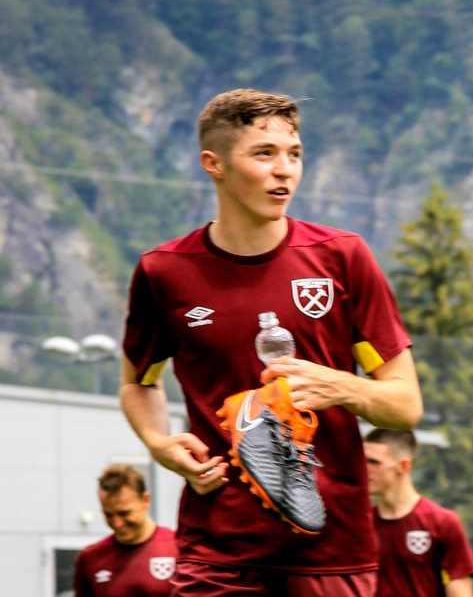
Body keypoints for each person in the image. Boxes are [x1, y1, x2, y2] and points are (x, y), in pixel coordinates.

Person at [119, 88, 422, 596]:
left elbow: (405, 404)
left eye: (295, 154)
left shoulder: (341, 259)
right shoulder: (164, 272)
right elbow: (138, 383)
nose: (286, 170)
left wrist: (341, 387)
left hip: (330, 552)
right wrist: (158, 444)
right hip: (216, 551)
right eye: (264, 154)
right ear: (213, 164)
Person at [365, 428, 473, 597]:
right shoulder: (362, 525)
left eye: (374, 462)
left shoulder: (442, 523)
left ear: (404, 466)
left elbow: (460, 591)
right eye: (362, 461)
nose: (364, 469)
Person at [73, 464, 177, 597]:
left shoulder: (178, 548)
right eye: (108, 515)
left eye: (124, 513)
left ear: (145, 500)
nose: (117, 523)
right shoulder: (90, 559)